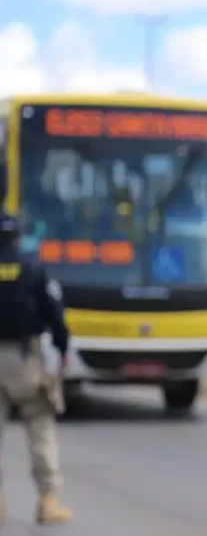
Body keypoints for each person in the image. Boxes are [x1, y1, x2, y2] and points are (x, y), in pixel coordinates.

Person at [0, 212, 72, 525]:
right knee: (40, 428)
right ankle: (47, 501)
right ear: (17, 238)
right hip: (25, 359)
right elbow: (54, 312)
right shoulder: (33, 268)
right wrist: (62, 347)